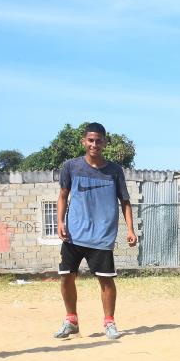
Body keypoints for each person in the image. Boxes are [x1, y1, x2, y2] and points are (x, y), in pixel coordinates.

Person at [54, 122, 137, 340]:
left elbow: (125, 202)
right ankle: (71, 320)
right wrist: (60, 222)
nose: (94, 144)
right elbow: (63, 196)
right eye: (90, 140)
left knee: (106, 280)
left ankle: (109, 323)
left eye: (98, 140)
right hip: (74, 234)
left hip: (101, 235)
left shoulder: (114, 171)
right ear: (84, 141)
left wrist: (130, 229)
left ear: (105, 143)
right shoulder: (71, 166)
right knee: (66, 277)